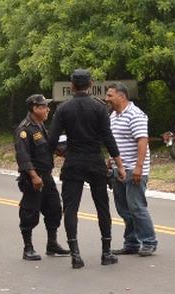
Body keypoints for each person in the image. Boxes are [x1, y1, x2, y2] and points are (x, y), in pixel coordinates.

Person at [48, 69, 126, 269]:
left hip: (74, 160)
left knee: (71, 208)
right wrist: (119, 164)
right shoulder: (99, 108)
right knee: (102, 206)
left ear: (72, 86)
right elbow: (108, 138)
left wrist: (52, 157)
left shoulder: (64, 109)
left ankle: (75, 255)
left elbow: (52, 138)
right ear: (91, 84)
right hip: (95, 160)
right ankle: (106, 252)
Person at [14, 94, 70, 261]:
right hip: (34, 178)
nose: (48, 109)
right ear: (35, 108)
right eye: (44, 106)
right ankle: (28, 248)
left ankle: (52, 244)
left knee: (54, 209)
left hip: (46, 176)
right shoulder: (24, 130)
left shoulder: (41, 126)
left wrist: (59, 151)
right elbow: (22, 156)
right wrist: (33, 176)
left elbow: (46, 148)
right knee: (30, 212)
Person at [105, 82, 158, 257]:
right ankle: (132, 242)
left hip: (134, 169)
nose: (107, 98)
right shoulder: (113, 116)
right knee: (123, 209)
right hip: (118, 169)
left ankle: (149, 241)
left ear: (121, 96)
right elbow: (115, 143)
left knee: (137, 207)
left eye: (110, 95)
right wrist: (110, 160)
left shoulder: (135, 115)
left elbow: (142, 141)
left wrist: (139, 168)